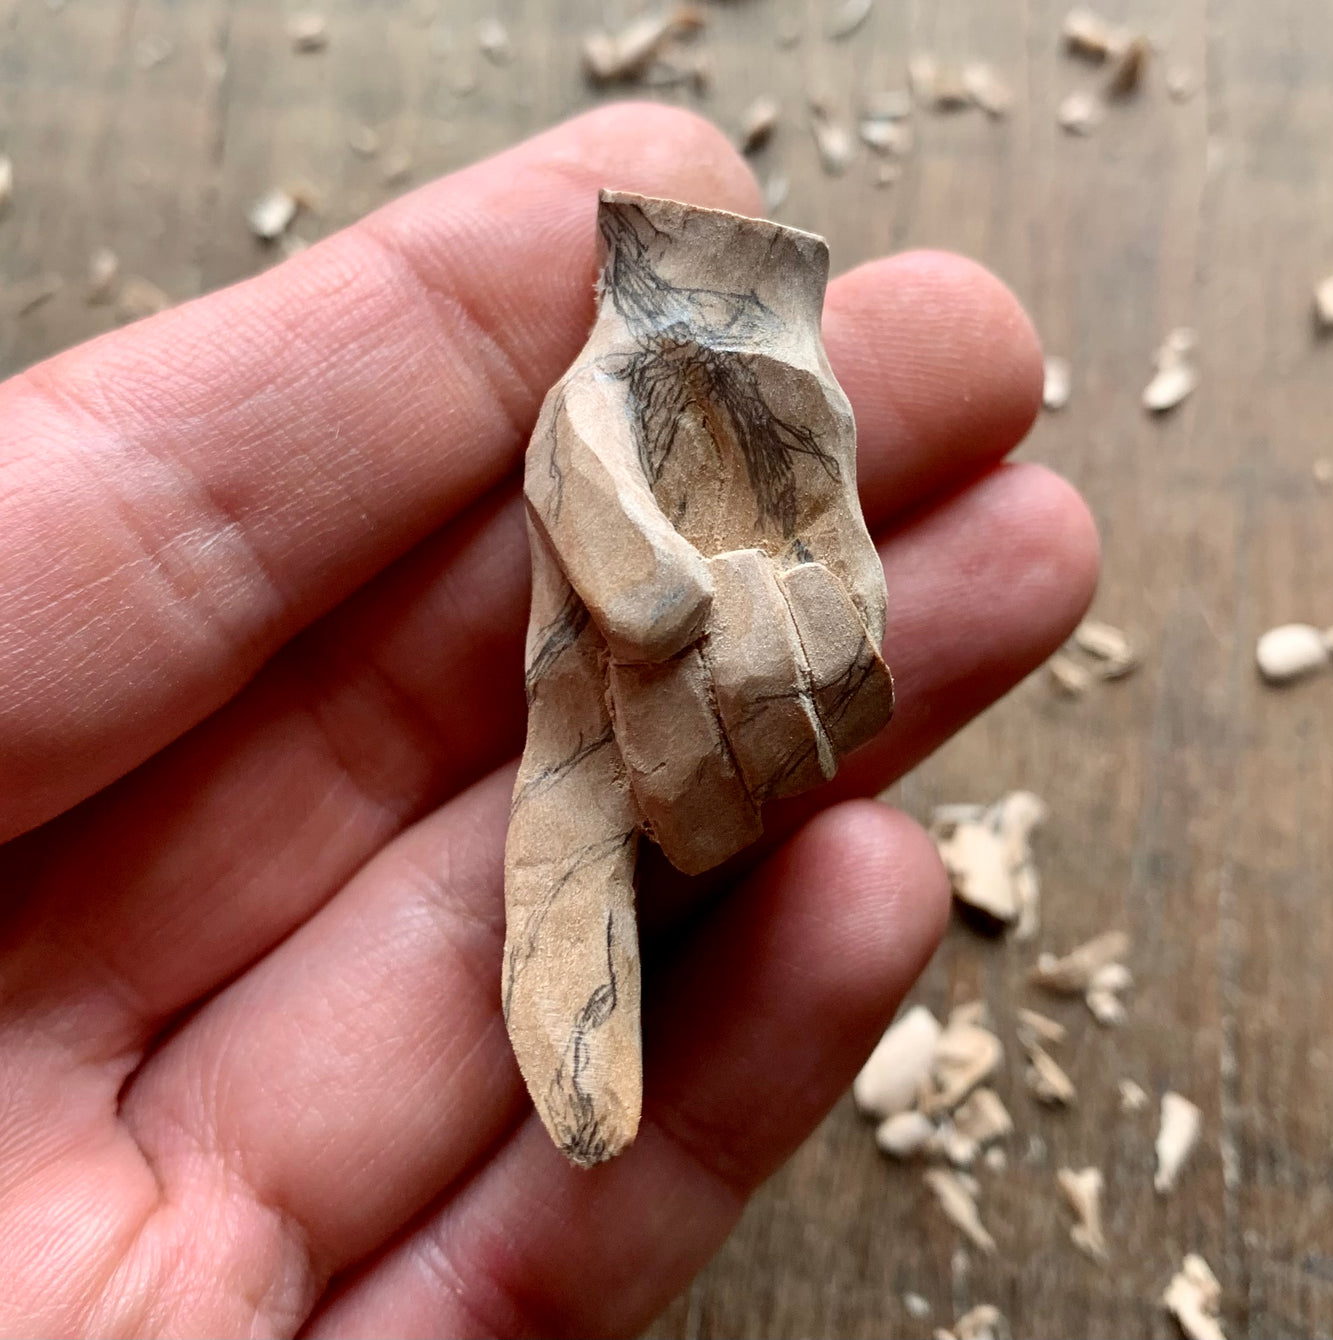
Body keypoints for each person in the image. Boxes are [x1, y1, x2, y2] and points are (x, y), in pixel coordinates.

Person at [0, 105, 1097, 1336]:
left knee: (667, 798)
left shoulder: (787, 401)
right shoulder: (602, 400)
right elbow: (631, 558)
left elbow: (815, 548)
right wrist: (657, 581)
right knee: (576, 828)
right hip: (598, 707)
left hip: (715, 667)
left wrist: (783, 587)